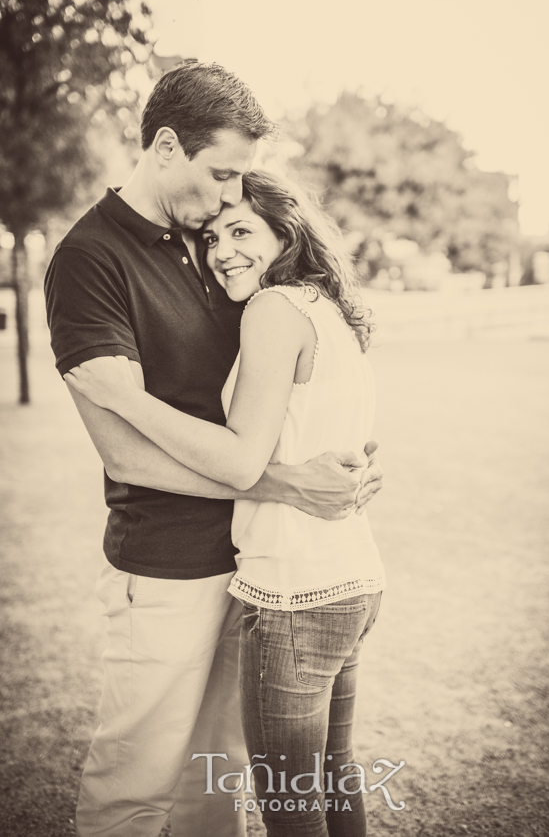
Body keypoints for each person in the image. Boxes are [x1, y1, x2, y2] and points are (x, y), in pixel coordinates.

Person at [44, 61, 382, 837]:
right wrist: (286, 485)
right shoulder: (89, 259)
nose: (232, 197)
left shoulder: (211, 242)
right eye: (222, 173)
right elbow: (125, 454)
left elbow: (281, 391)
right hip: (164, 565)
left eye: (241, 185)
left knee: (215, 785)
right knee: (134, 782)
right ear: (166, 146)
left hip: (253, 567)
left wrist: (342, 462)